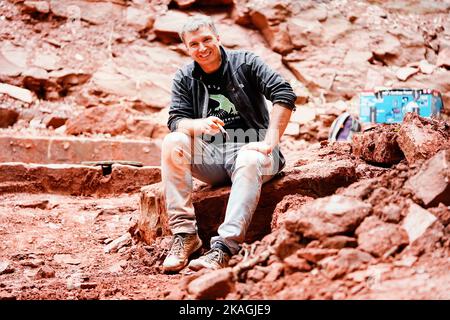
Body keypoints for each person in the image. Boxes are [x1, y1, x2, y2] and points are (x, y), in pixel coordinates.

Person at [161, 15, 296, 273]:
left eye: (206, 40)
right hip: (212, 156)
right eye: (194, 44)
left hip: (252, 148)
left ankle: (224, 248)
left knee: (248, 160)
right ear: (186, 48)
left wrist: (270, 142)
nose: (202, 48)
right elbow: (175, 120)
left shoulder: (246, 63)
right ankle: (185, 235)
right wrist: (197, 125)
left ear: (218, 38)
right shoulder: (184, 77)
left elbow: (284, 93)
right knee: (172, 141)